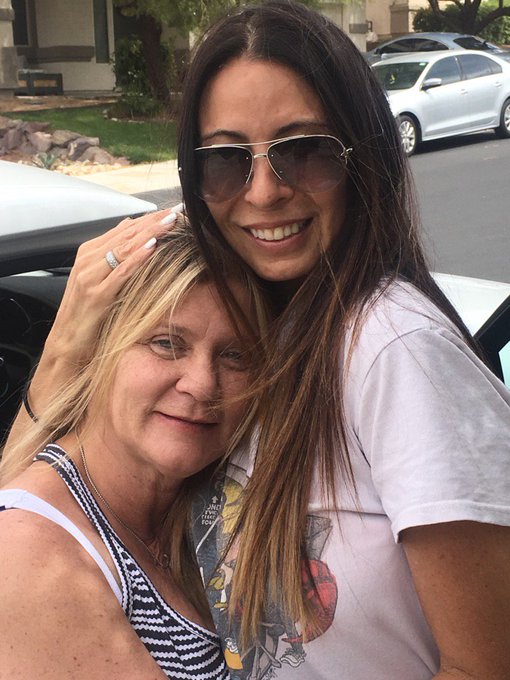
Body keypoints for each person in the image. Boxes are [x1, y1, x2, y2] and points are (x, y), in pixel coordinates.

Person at [3, 1, 510, 679]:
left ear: (364, 156)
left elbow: (485, 665)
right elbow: (28, 511)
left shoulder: (393, 348)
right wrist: (68, 344)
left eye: (305, 151)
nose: (265, 192)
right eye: (225, 160)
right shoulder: (271, 329)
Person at [0, 217, 268, 679]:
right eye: (166, 344)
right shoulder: (30, 552)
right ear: (97, 350)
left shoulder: (207, 507)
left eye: (235, 355)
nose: (202, 384)